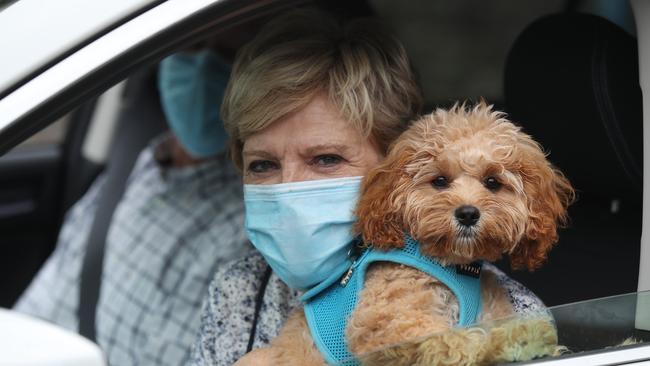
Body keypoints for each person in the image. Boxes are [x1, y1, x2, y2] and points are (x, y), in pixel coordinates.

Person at [190, 9, 546, 366]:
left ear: (394, 164)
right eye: (263, 165)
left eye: (326, 159)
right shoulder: (239, 289)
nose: (290, 188)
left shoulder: (510, 315)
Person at [14, 47, 248, 366]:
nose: (204, 67)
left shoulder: (246, 227)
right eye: (195, 47)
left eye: (228, 55)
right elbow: (53, 286)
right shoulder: (138, 161)